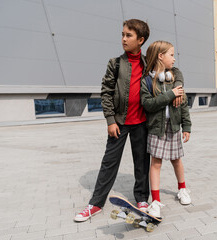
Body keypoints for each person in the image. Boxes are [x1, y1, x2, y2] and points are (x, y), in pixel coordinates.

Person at [74, 19, 151, 222]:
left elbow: (168, 77)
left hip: (142, 122)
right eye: (123, 34)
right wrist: (110, 120)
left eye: (129, 35)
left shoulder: (148, 64)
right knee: (109, 163)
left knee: (142, 163)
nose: (123, 39)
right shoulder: (115, 63)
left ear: (140, 40)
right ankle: (96, 203)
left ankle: (142, 199)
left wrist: (178, 91)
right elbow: (106, 92)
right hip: (120, 122)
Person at [140, 41, 192, 218]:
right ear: (160, 56)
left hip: (174, 126)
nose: (174, 58)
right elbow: (148, 104)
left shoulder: (174, 79)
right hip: (156, 128)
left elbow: (183, 104)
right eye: (171, 54)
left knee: (177, 160)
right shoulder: (147, 81)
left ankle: (182, 189)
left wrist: (187, 125)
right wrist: (170, 95)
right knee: (156, 163)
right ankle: (155, 200)